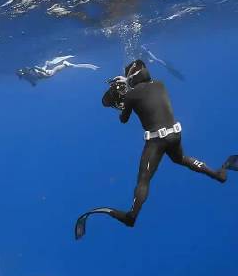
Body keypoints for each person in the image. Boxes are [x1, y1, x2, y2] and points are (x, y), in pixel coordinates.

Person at [75, 59, 237, 238]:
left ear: (130, 76)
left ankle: (132, 216)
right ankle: (219, 174)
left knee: (143, 180)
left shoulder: (131, 95)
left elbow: (124, 119)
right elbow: (145, 94)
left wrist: (123, 97)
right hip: (175, 135)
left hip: (157, 141)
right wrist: (128, 86)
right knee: (180, 159)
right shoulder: (160, 84)